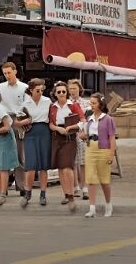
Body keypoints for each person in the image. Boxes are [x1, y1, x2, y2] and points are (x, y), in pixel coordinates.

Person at [49, 81, 84, 212]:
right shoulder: (52, 107)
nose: (62, 94)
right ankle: (66, 193)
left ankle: (71, 196)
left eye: (64, 91)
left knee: (67, 167)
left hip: (70, 137)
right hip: (57, 137)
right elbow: (51, 124)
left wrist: (71, 127)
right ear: (55, 94)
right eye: (59, 92)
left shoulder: (73, 105)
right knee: (60, 167)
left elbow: (82, 120)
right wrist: (58, 128)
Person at [80, 93, 117, 217]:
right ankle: (92, 208)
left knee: (104, 180)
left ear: (101, 104)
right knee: (90, 179)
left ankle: (108, 205)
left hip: (103, 149)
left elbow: (112, 137)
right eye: (90, 103)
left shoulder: (108, 119)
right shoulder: (89, 118)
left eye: (94, 103)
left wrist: (111, 154)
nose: (92, 105)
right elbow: (85, 134)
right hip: (91, 148)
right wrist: (83, 136)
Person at [16, 78, 52, 207]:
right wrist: (22, 122)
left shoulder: (47, 101)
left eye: (42, 89)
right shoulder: (25, 104)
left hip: (44, 131)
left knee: (43, 166)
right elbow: (17, 121)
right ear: (31, 90)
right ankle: (28, 193)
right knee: (30, 165)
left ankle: (43, 194)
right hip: (31, 132)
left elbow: (52, 117)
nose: (40, 92)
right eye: (37, 90)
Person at [0, 62, 29, 196]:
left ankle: (21, 186)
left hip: (18, 119)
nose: (7, 75)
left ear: (15, 72)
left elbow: (27, 105)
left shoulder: (24, 87)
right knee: (4, 153)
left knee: (20, 154)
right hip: (4, 118)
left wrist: (20, 120)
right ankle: (4, 186)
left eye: (9, 72)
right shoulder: (0, 87)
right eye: (5, 73)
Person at [68, 79, 89, 200]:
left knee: (83, 161)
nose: (72, 91)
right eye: (70, 89)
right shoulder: (66, 102)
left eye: (74, 88)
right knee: (73, 161)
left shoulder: (86, 103)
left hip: (82, 133)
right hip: (70, 133)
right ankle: (75, 186)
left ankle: (84, 187)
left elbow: (88, 118)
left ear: (79, 89)